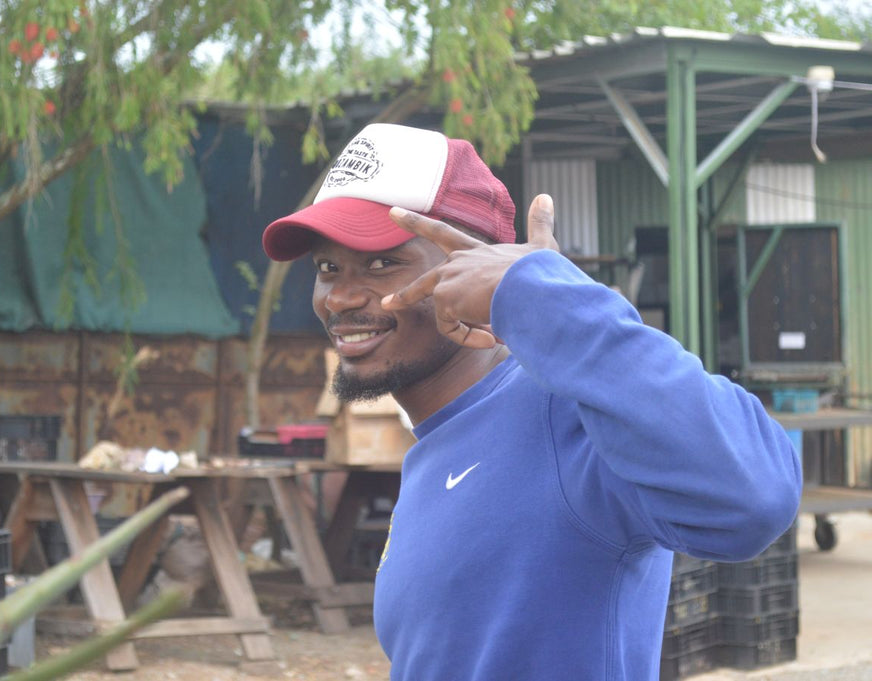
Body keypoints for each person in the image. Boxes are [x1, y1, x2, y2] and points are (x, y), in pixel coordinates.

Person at [262, 123, 801, 681]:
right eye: (328, 268)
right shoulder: (439, 441)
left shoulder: (566, 416)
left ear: (474, 267)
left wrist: (546, 297)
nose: (342, 296)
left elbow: (756, 497)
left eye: (381, 263)